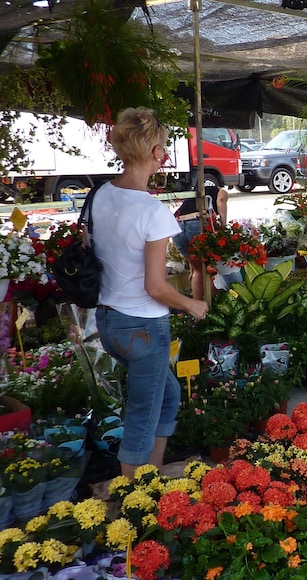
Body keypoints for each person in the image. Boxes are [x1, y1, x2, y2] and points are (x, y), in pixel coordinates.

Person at [92, 107, 209, 478]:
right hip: (143, 327)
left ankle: (151, 476)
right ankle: (135, 502)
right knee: (142, 418)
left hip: (109, 321)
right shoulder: (153, 211)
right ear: (157, 153)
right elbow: (155, 286)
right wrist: (192, 304)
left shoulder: (100, 196)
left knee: (168, 396)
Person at [172, 185, 229, 299]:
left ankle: (197, 309)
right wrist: (223, 227)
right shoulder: (221, 190)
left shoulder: (195, 193)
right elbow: (221, 200)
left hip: (176, 226)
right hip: (195, 223)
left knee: (196, 269)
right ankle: (209, 308)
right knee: (206, 270)